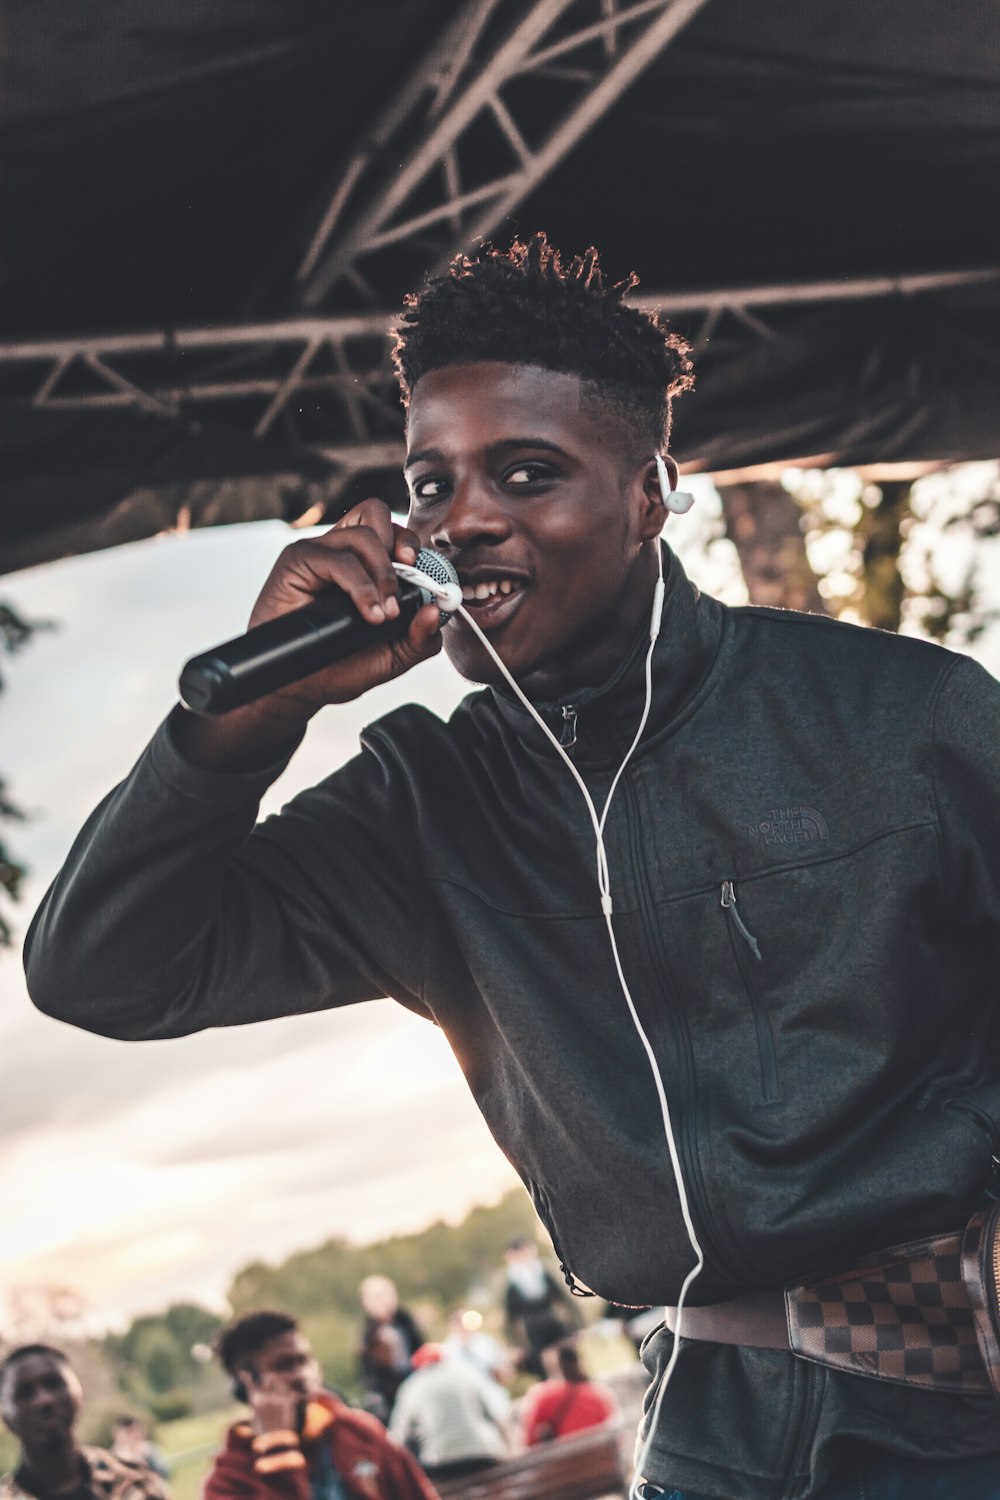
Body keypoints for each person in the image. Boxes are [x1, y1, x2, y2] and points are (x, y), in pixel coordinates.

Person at [24, 232, 1000, 1499]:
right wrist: (247, 724)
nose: (464, 520)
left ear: (647, 492)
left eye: (527, 474)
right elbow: (100, 974)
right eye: (430, 486)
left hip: (954, 1405)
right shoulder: (422, 803)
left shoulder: (896, 716)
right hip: (709, 1433)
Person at [207, 1310, 438, 1500]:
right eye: (284, 1366)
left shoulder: (357, 1431)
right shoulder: (229, 1479)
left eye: (304, 1360)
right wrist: (277, 1445)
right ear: (246, 1382)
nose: (301, 1375)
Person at [0, 1346, 169, 1500]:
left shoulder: (134, 1479)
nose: (44, 1400)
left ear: (78, 1394)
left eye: (54, 1383)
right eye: (24, 1392)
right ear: (5, 1416)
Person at [388, 1345, 509, 1485]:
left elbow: (397, 1439)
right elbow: (497, 1417)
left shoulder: (411, 1387)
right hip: (483, 1454)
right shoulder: (466, 1373)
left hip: (440, 1464)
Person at [518, 1341, 620, 1447]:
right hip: (604, 1458)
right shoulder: (598, 1393)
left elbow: (529, 1441)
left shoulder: (542, 1396)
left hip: (564, 1461)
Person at [501, 1236, 577, 1378]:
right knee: (544, 1367)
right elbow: (509, 1318)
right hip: (534, 1331)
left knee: (568, 1360)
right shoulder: (511, 1283)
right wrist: (515, 1345)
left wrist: (576, 1325)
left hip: (554, 1322)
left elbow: (565, 1299)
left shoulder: (543, 1271)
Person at [357, 1278, 423, 1423]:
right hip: (386, 1393)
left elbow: (420, 1348)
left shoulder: (406, 1322)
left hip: (414, 1382)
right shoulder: (368, 1332)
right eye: (375, 1298)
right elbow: (366, 1371)